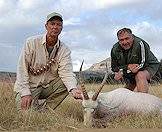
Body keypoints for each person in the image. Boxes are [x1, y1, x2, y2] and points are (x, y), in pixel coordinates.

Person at [14, 12, 82, 111]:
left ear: (61, 28)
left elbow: (66, 72)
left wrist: (73, 89)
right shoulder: (31, 42)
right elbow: (22, 69)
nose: (55, 27)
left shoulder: (64, 50)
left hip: (47, 88)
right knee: (25, 115)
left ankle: (46, 110)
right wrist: (25, 93)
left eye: (58, 24)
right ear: (46, 26)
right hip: (29, 87)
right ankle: (33, 105)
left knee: (71, 80)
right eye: (52, 23)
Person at [111, 27, 160, 93]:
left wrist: (123, 72)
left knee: (140, 75)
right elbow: (114, 67)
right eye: (121, 40)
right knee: (126, 93)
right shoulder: (115, 49)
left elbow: (142, 65)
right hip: (131, 70)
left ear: (132, 37)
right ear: (118, 40)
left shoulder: (140, 43)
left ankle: (142, 102)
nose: (125, 42)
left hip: (148, 66)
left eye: (127, 38)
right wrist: (127, 67)